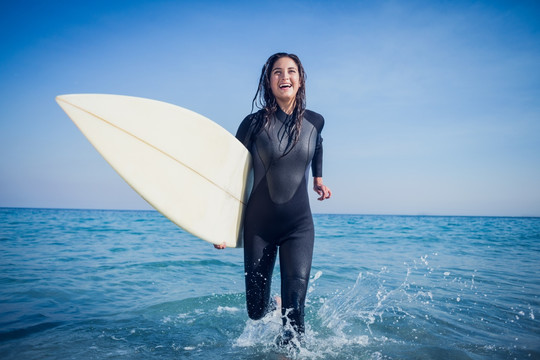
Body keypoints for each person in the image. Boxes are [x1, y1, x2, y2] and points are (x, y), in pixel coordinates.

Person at [214, 52, 331, 345]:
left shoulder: (316, 121)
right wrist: (221, 226)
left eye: (291, 71)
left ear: (300, 80)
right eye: (277, 72)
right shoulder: (252, 124)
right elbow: (232, 174)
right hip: (259, 227)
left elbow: (317, 146)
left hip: (298, 227)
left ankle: (288, 351)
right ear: (269, 81)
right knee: (255, 312)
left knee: (295, 315)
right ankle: (271, 307)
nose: (284, 77)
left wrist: (318, 178)